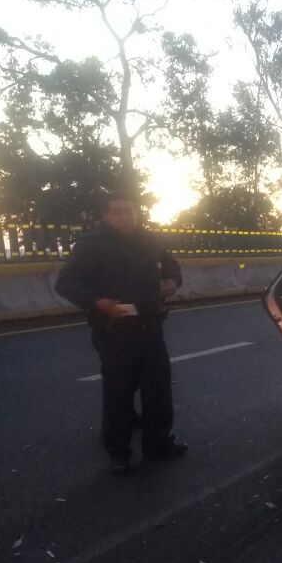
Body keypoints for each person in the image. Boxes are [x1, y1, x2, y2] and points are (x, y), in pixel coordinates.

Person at [55, 192, 187, 475]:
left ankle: (158, 445)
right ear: (106, 216)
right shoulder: (92, 245)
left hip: (150, 328)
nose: (124, 217)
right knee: (118, 395)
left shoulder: (150, 239)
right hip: (114, 333)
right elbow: (66, 283)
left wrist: (171, 282)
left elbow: (172, 265)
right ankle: (119, 453)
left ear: (137, 214)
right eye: (117, 212)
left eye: (129, 211)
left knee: (158, 392)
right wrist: (98, 303)